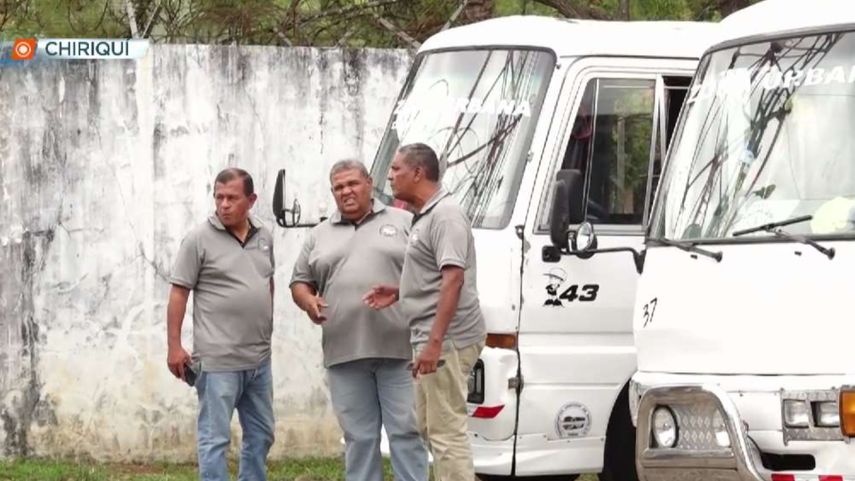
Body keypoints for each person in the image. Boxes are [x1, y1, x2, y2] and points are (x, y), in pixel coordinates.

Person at [290, 160, 428, 481]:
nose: (346, 192)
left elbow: (431, 275)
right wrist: (308, 300)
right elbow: (299, 281)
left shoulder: (406, 221)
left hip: (401, 352)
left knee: (406, 434)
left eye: (352, 184)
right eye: (338, 187)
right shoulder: (318, 234)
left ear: (369, 183)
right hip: (344, 353)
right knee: (359, 438)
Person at [363, 143, 487, 481]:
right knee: (430, 426)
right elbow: (434, 278)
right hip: (430, 336)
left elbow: (453, 280)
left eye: (396, 169)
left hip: (447, 339)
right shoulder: (427, 215)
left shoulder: (446, 215)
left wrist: (436, 342)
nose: (389, 177)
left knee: (446, 431)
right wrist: (401, 292)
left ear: (418, 172)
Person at [166, 168, 276, 481]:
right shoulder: (198, 239)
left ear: (251, 200)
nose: (224, 204)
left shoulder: (264, 236)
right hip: (218, 363)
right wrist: (174, 346)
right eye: (219, 197)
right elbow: (178, 293)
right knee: (215, 440)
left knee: (262, 434)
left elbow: (267, 283)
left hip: (259, 361)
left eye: (232, 198)